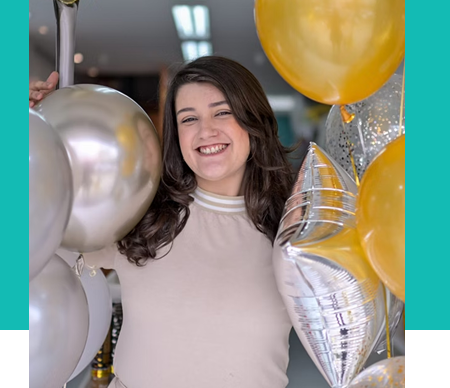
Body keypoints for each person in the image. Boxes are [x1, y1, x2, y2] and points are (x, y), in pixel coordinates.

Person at [29, 56, 298, 388]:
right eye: (189, 119)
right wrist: (29, 132)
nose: (206, 131)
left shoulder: (292, 232)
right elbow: (31, 237)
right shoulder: (141, 210)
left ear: (253, 120)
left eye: (222, 112)